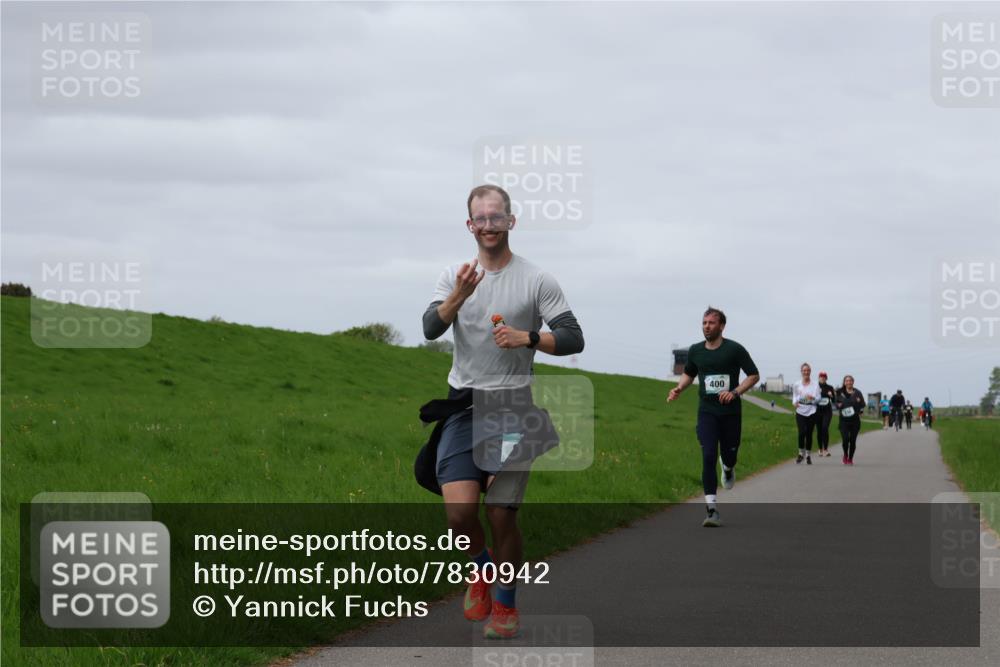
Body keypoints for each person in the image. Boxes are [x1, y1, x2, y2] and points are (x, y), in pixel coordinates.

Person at [419, 184, 584, 639]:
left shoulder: (537, 279)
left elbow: (573, 337)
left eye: (497, 217)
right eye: (481, 218)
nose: (489, 225)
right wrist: (458, 295)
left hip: (514, 409)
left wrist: (527, 337)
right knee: (459, 516)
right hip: (463, 407)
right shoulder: (454, 276)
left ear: (511, 221)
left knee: (500, 513)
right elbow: (431, 327)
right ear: (470, 225)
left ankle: (506, 606)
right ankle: (482, 568)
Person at [667, 307, 760, 528]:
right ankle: (711, 509)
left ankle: (727, 467)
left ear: (722, 326)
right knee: (708, 455)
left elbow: (754, 375)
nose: (706, 326)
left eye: (711, 323)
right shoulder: (696, 351)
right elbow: (689, 373)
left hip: (730, 413)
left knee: (729, 455)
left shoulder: (734, 349)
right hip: (707, 412)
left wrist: (735, 392)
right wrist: (679, 388)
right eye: (704, 322)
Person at [792, 363, 820, 464]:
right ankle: (800, 454)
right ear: (801, 372)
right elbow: (794, 396)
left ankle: (808, 455)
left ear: (810, 372)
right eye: (804, 370)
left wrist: (813, 398)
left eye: (808, 370)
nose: (806, 372)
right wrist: (794, 402)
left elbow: (819, 398)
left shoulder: (815, 384)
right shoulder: (796, 384)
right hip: (800, 411)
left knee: (809, 434)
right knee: (801, 433)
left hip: (812, 411)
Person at [835, 375, 865, 464]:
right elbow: (836, 403)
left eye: (850, 381)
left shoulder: (858, 392)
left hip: (855, 420)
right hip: (843, 420)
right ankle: (845, 454)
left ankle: (850, 458)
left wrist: (861, 409)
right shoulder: (839, 392)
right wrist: (838, 405)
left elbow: (863, 404)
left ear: (853, 382)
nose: (849, 382)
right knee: (845, 440)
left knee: (852, 440)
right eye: (847, 381)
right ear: (844, 382)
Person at [815, 371, 836, 457]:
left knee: (825, 428)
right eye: (821, 377)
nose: (822, 378)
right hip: (817, 411)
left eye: (824, 377)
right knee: (819, 430)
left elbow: (834, 400)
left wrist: (831, 396)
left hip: (827, 411)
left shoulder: (830, 387)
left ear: (826, 378)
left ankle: (826, 449)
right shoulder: (815, 387)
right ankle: (820, 449)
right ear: (819, 378)